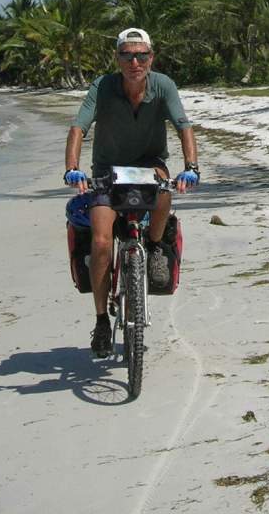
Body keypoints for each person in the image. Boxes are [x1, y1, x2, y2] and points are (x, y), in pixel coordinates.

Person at [64, 27, 199, 357]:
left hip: (149, 164)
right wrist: (72, 168)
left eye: (141, 55)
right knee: (100, 242)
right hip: (107, 170)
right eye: (127, 55)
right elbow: (79, 127)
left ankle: (154, 246)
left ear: (151, 58)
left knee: (164, 188)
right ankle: (101, 321)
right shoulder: (102, 87)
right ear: (117, 58)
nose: (134, 62)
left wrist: (192, 167)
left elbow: (183, 126)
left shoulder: (163, 85)